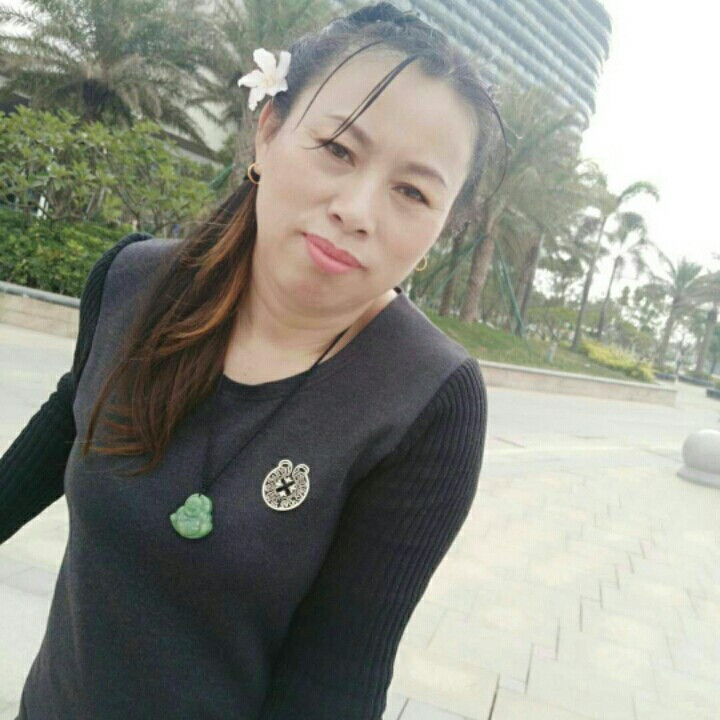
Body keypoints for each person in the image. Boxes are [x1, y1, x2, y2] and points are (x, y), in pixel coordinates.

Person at [1, 2, 504, 718]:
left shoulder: (426, 401)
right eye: (338, 149)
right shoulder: (134, 283)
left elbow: (337, 677)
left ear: (442, 226)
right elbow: (66, 423)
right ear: (268, 131)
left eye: (413, 191)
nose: (358, 209)